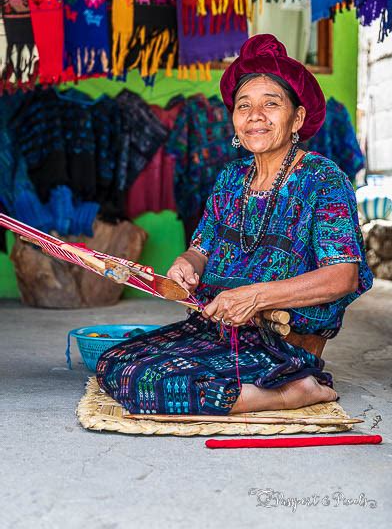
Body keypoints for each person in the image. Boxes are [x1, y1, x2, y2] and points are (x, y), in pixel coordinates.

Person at [97, 34, 373, 416]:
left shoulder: (322, 180)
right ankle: (264, 390)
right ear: (234, 120)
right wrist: (186, 265)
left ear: (297, 118)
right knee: (117, 363)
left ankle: (294, 389)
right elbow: (202, 247)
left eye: (270, 105)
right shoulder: (232, 178)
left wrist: (255, 296)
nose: (255, 116)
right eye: (244, 106)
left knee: (159, 383)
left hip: (283, 340)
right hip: (221, 329)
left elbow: (343, 276)